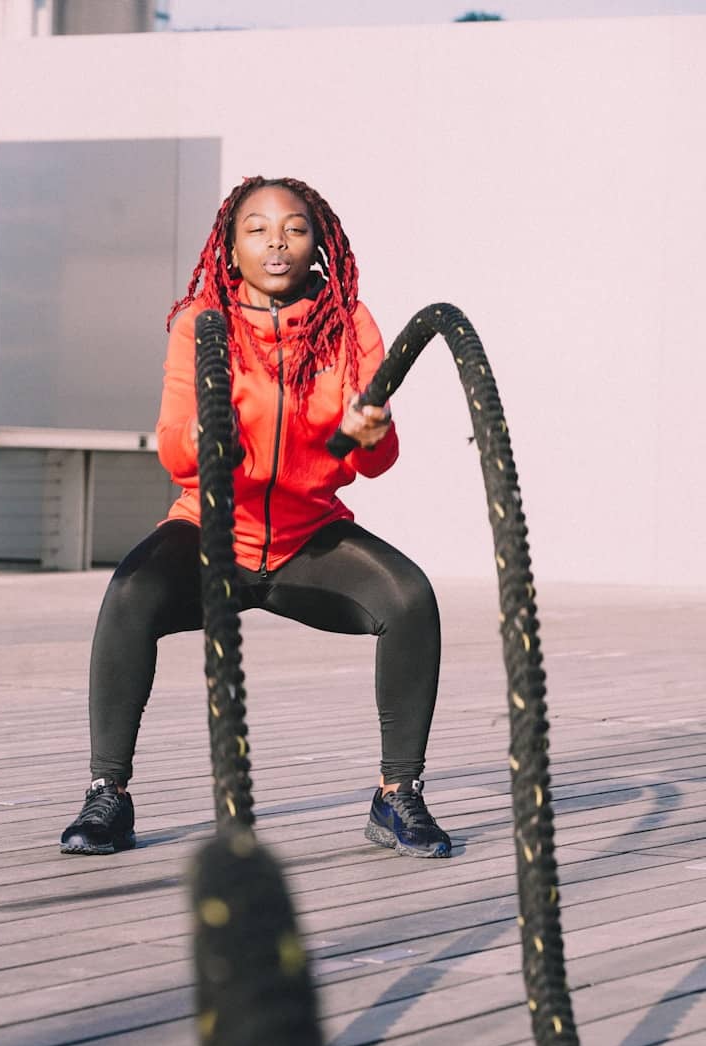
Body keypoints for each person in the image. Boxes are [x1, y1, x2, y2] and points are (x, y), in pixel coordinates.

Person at [60, 175, 451, 860]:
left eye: (295, 228)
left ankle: (397, 795)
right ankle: (107, 795)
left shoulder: (348, 324)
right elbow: (173, 446)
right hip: (211, 535)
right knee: (128, 594)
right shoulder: (199, 324)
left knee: (410, 598)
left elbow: (375, 459)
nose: (277, 241)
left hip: (308, 538)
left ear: (317, 242)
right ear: (230, 246)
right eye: (257, 228)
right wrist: (209, 438)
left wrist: (369, 433)